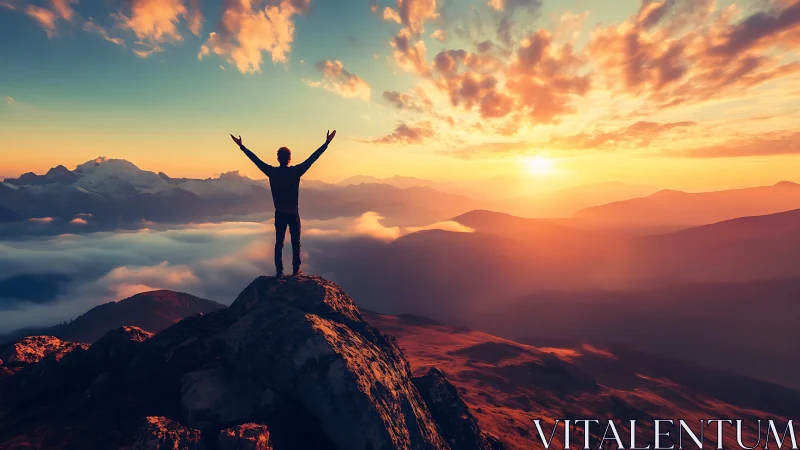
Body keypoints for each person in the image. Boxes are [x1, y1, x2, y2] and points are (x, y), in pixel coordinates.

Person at [230, 130, 336, 277]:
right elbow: (313, 158)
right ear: (289, 159)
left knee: (279, 243)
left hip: (279, 213)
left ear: (278, 158)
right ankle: (295, 271)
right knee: (295, 244)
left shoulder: (272, 172)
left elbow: (256, 160)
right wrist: (326, 143)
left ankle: (279, 272)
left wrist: (242, 146)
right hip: (293, 213)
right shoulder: (296, 171)